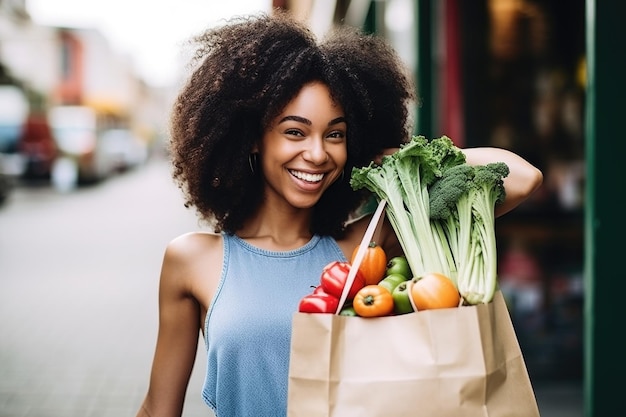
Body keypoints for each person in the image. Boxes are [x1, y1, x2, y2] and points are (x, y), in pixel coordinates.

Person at [135, 11, 543, 417]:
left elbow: (523, 177)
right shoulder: (193, 260)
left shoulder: (365, 248)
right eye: (294, 131)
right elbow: (158, 409)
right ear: (252, 138)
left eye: (335, 134)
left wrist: (400, 158)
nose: (316, 153)